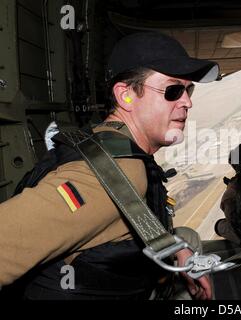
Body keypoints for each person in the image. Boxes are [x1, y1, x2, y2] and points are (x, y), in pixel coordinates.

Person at [0, 32, 219, 300]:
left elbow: (129, 212)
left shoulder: (109, 139)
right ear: (125, 96)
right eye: (173, 90)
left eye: (189, 89)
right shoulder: (106, 176)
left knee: (187, 238)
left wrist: (172, 246)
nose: (187, 102)